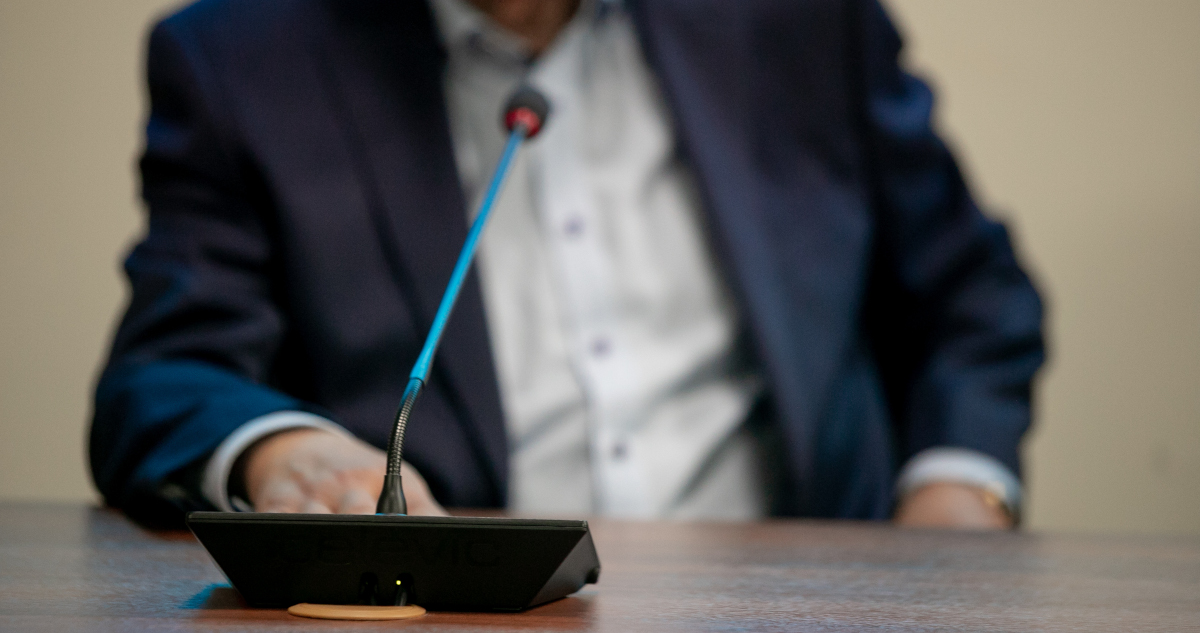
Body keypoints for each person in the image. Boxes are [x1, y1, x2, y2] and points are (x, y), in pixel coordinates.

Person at [90, 0, 1044, 529]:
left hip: (796, 596)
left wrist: (954, 489)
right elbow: (165, 373)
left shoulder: (799, 22)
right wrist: (285, 453)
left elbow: (973, 293)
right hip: (452, 610)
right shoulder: (243, 59)